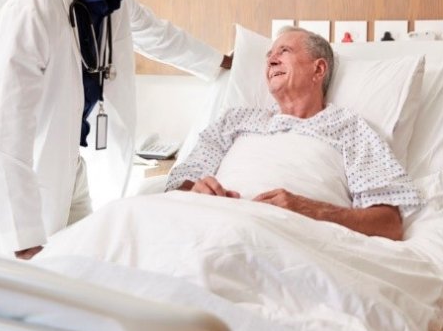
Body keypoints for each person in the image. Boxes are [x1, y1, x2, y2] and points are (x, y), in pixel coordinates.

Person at [0, 0, 231, 259]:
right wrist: (24, 239)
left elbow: (162, 37)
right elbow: (4, 136)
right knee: (33, 292)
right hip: (28, 179)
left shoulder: (113, 1)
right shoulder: (33, 11)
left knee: (87, 270)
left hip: (72, 168)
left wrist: (223, 61)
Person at [165, 26, 424, 240]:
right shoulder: (235, 121)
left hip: (290, 239)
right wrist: (196, 195)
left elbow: (389, 225)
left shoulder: (350, 128)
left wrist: (311, 209)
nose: (271, 60)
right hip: (207, 228)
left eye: (284, 51)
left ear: (319, 69)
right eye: (269, 56)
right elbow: (180, 189)